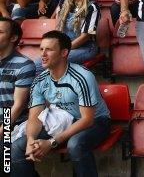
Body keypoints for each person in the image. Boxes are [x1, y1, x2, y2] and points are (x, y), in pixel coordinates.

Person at [11, 30, 110, 177]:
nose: (43, 55)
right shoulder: (39, 80)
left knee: (75, 144)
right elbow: (34, 117)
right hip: (64, 120)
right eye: (41, 49)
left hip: (96, 122)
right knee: (19, 146)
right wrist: (31, 140)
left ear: (64, 53)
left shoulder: (82, 76)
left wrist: (51, 143)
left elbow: (87, 120)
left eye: (49, 50)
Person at [34, 0, 100, 73]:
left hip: (84, 48)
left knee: (45, 63)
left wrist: (62, 50)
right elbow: (58, 27)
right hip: (63, 47)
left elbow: (85, 36)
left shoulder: (92, 6)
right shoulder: (63, 1)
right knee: (34, 65)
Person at [0, 17, 35, 127]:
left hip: (12, 124)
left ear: (13, 38)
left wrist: (3, 131)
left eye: (0, 32)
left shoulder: (24, 64)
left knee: (5, 144)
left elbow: (18, 106)